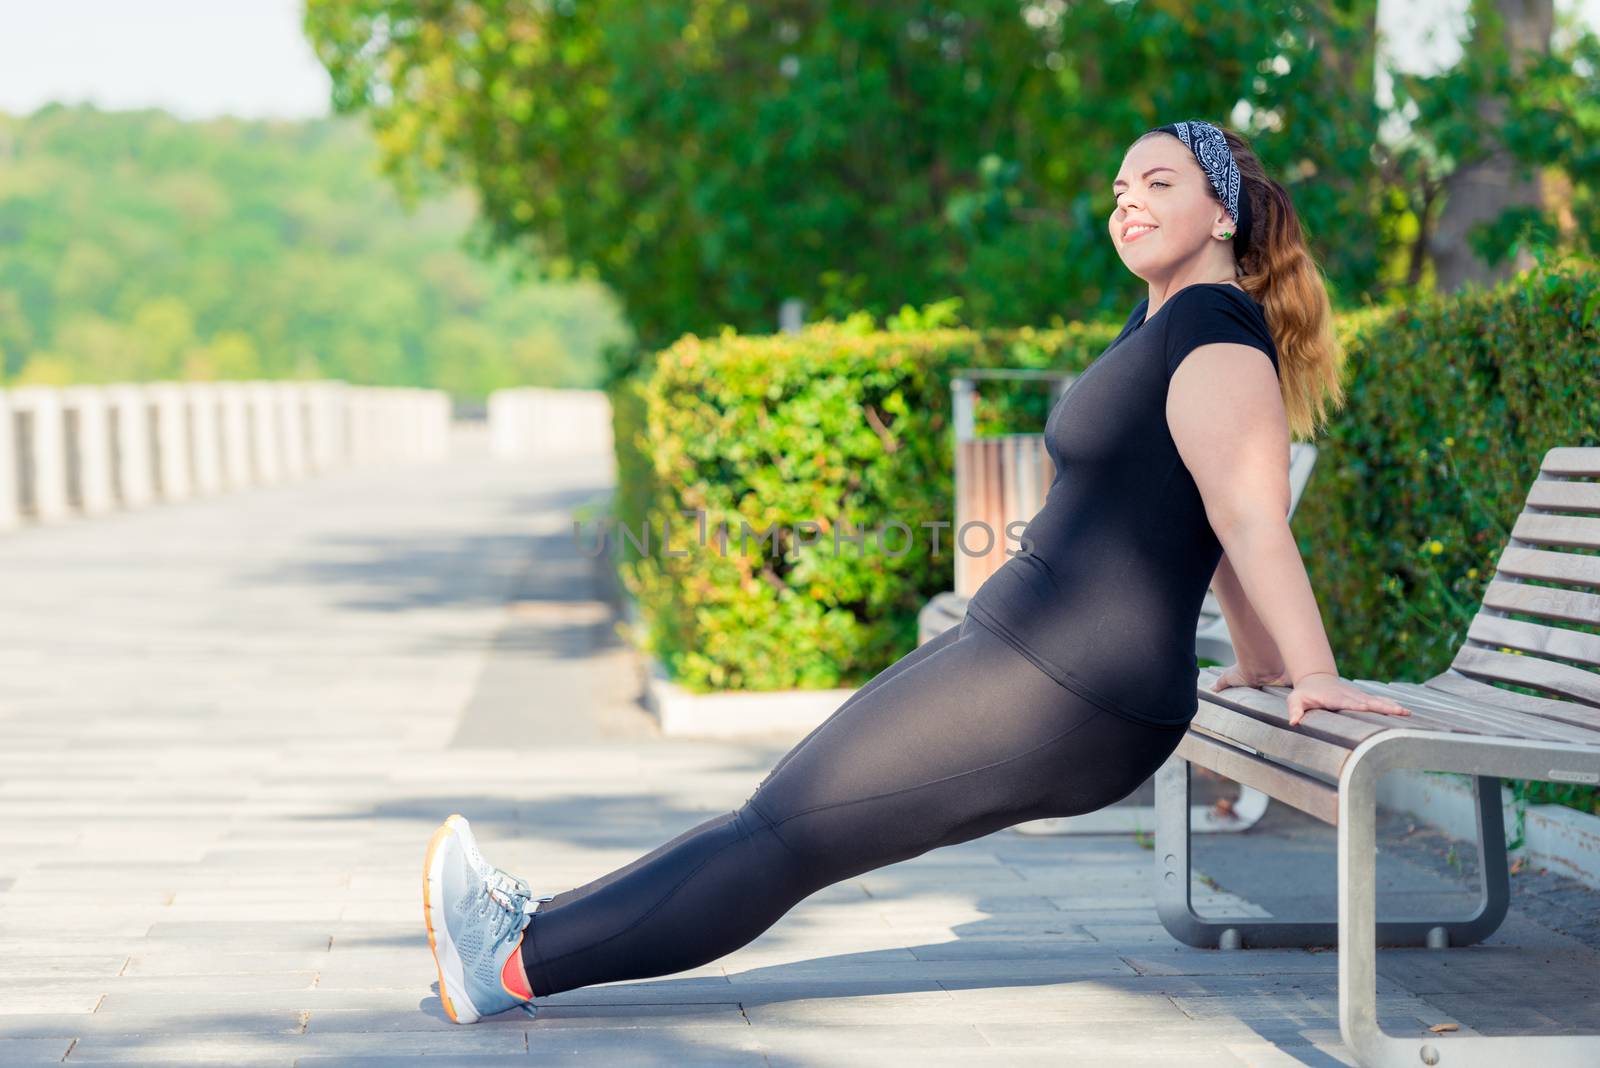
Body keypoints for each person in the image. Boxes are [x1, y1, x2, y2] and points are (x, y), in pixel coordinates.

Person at [420, 118, 1414, 1024]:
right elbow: (1211, 517)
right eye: (1118, 189)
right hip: (1025, 652)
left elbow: (1248, 514)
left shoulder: (1213, 329)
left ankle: (514, 962)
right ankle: (528, 928)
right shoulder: (1160, 324)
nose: (1129, 202)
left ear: (1220, 214)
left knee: (786, 836)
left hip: (1074, 686)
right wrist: (1257, 661)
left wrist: (1312, 674)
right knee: (775, 818)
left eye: (1157, 182)